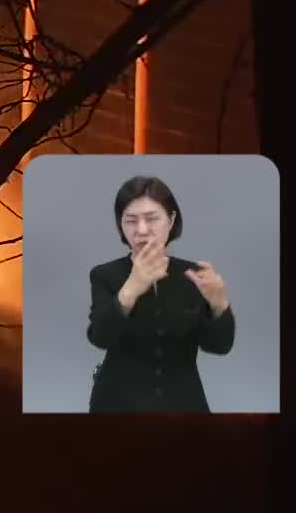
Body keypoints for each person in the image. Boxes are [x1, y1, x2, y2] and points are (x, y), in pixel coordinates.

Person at [86, 175, 235, 413]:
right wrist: (132, 288)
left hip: (184, 404)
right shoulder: (105, 274)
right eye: (131, 221)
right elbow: (100, 337)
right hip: (117, 404)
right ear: (120, 225)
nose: (141, 230)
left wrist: (219, 303)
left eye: (152, 219)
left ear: (171, 220)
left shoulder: (193, 275)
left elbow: (218, 346)